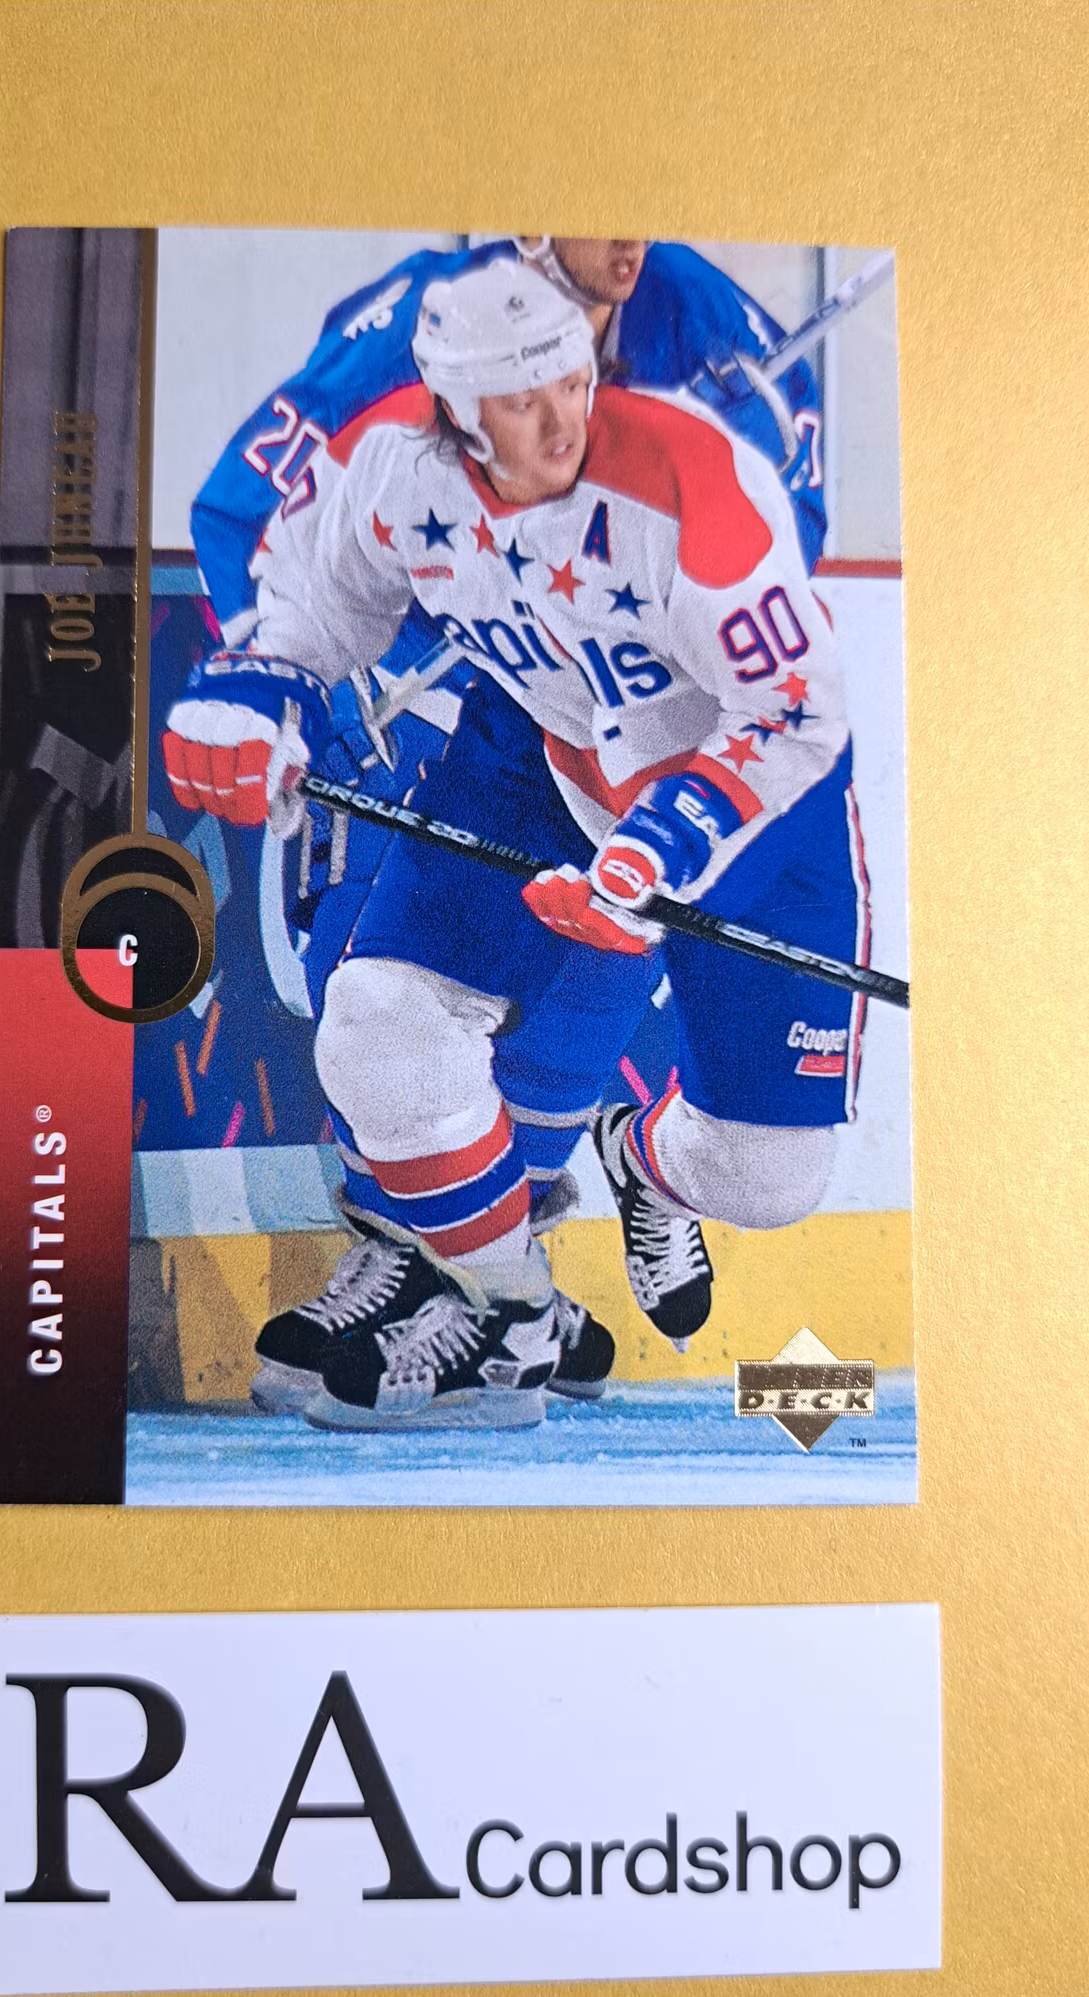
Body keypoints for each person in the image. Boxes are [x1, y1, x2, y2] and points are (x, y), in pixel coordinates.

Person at [171, 242, 830, 1419]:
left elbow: (783, 647)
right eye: (523, 397)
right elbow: (279, 546)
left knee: (739, 1127)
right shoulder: (415, 367)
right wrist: (278, 688)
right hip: (501, 706)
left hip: (694, 745)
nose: (620, 242)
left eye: (572, 384)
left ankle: (591, 1200)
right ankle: (473, 1288)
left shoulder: (700, 355)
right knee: (382, 1007)